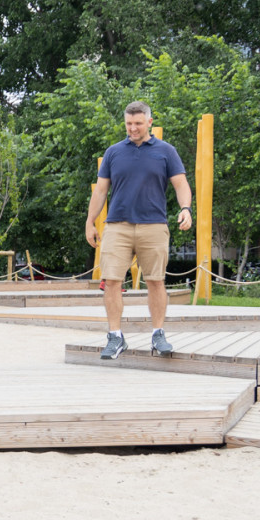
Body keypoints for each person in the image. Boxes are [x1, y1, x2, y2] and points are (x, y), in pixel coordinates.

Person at [85, 101, 193, 359]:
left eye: (137, 124)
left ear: (149, 122)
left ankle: (158, 334)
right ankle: (115, 337)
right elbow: (100, 190)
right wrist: (90, 221)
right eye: (128, 124)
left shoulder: (166, 151)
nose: (132, 128)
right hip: (117, 226)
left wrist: (186, 208)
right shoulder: (113, 152)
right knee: (111, 281)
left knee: (155, 281)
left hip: (153, 225)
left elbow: (180, 184)